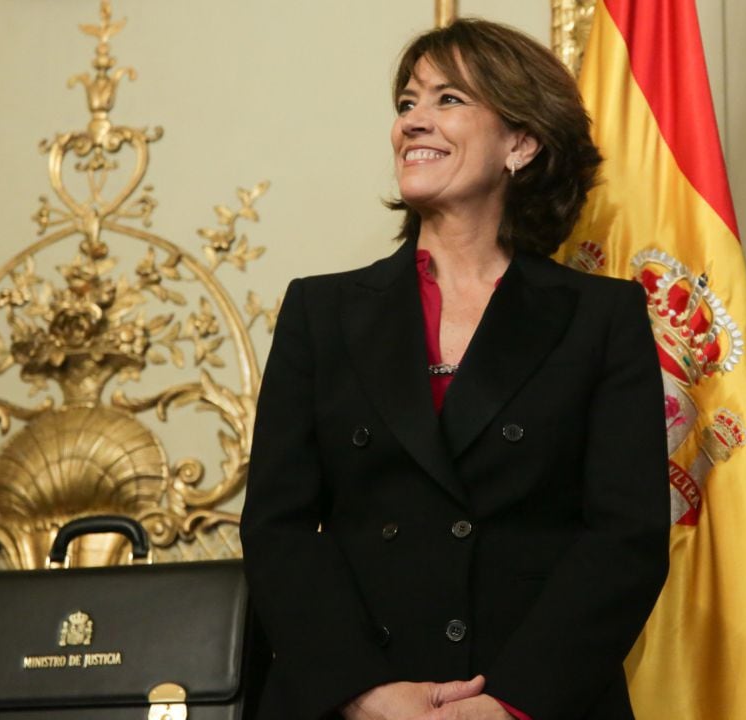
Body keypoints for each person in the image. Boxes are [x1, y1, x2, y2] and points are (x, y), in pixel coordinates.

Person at [241, 18, 669, 720]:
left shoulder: (602, 317)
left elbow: (627, 538)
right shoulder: (320, 311)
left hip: (535, 699)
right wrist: (365, 692)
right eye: (407, 103)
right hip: (351, 699)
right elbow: (277, 530)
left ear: (521, 144)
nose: (413, 121)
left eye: (447, 100)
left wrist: (511, 703)